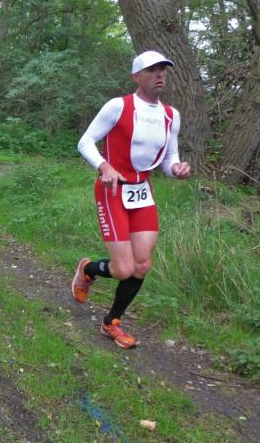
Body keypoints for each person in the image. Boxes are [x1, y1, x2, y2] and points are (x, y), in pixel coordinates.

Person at [72, 50, 190, 349]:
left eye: (163, 69)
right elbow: (85, 142)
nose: (159, 74)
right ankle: (87, 269)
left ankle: (111, 321)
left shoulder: (171, 116)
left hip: (142, 192)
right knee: (123, 269)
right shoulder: (118, 106)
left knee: (142, 265)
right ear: (136, 76)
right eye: (152, 70)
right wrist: (104, 166)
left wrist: (177, 169)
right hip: (112, 191)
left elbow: (169, 159)